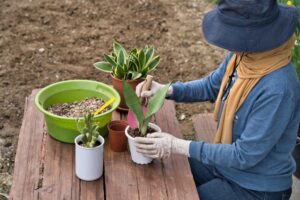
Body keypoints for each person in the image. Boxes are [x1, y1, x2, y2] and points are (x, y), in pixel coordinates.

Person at [134, 0, 300, 199]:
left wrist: (176, 145)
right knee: (165, 170)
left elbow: (243, 155)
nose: (231, 42)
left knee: (181, 194)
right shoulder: (246, 55)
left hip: (256, 187)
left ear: (255, 36)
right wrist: (166, 90)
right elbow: (211, 86)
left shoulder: (278, 89)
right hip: (226, 164)